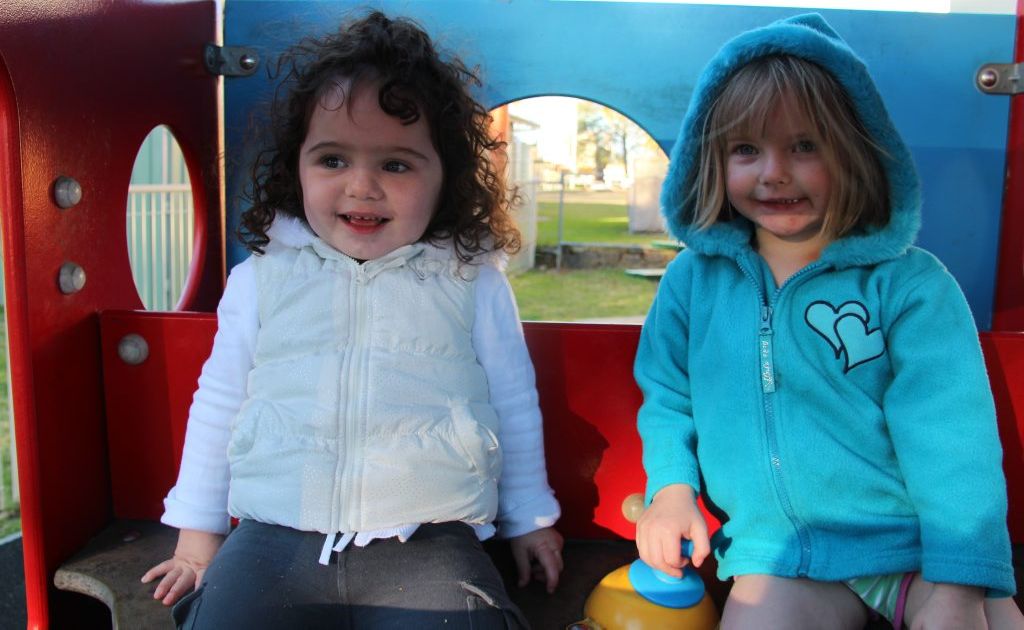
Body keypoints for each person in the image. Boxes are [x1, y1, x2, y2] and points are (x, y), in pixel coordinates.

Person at [140, 12, 563, 629]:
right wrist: (197, 536)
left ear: (445, 178)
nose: (361, 186)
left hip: (429, 536)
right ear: (296, 166)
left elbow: (513, 402)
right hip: (274, 535)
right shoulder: (263, 279)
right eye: (333, 159)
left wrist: (529, 518)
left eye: (397, 165)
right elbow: (221, 400)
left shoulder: (471, 281)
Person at [634, 13, 1023, 630]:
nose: (773, 172)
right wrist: (672, 490)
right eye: (746, 149)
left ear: (856, 152)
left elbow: (952, 438)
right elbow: (668, 398)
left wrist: (958, 582)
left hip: (915, 553)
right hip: (778, 558)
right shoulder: (693, 281)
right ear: (712, 159)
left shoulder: (910, 286)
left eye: (805, 146)